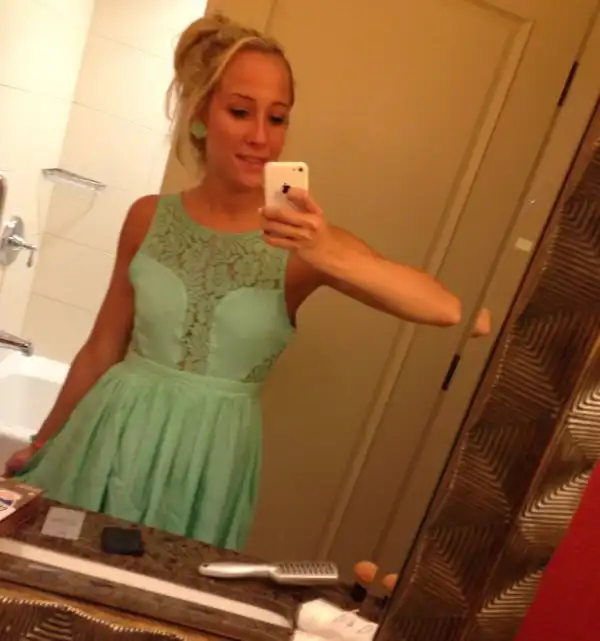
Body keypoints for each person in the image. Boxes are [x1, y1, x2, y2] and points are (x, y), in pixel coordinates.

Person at [5, 13, 491, 551]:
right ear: (200, 116)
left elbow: (444, 309)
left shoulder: (304, 245)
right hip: (105, 435)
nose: (261, 137)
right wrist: (42, 442)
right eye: (240, 111)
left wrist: (327, 252)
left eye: (277, 118)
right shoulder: (146, 217)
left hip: (207, 462)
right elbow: (102, 348)